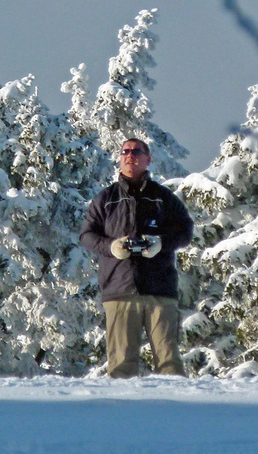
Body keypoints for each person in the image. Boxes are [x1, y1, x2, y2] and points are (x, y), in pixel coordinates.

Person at [80, 137, 194, 377]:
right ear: (120, 159)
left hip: (160, 291)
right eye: (125, 152)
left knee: (169, 362)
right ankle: (123, 414)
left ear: (148, 159)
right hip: (119, 290)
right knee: (121, 365)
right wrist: (111, 246)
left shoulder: (164, 198)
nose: (130, 155)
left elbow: (185, 231)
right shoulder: (106, 199)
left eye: (136, 151)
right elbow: (87, 236)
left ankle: (176, 412)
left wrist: (161, 243)